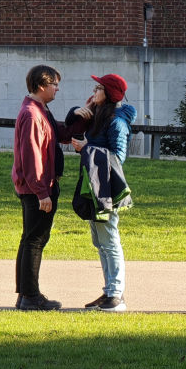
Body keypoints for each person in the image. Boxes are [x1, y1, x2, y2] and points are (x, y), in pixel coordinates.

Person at [12, 64, 85, 310]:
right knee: (35, 240)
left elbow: (61, 133)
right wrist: (42, 192)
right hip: (37, 188)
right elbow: (31, 158)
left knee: (30, 239)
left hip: (38, 186)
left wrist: (83, 115)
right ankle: (31, 297)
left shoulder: (41, 110)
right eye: (54, 84)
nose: (57, 88)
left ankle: (25, 295)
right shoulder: (32, 115)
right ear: (41, 86)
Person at [70, 74, 137, 313]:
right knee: (100, 242)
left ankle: (116, 294)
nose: (94, 90)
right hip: (94, 186)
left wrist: (86, 148)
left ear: (108, 93)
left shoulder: (116, 121)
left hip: (107, 190)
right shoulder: (100, 115)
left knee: (109, 241)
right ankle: (109, 291)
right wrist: (85, 108)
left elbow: (117, 157)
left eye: (99, 88)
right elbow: (72, 125)